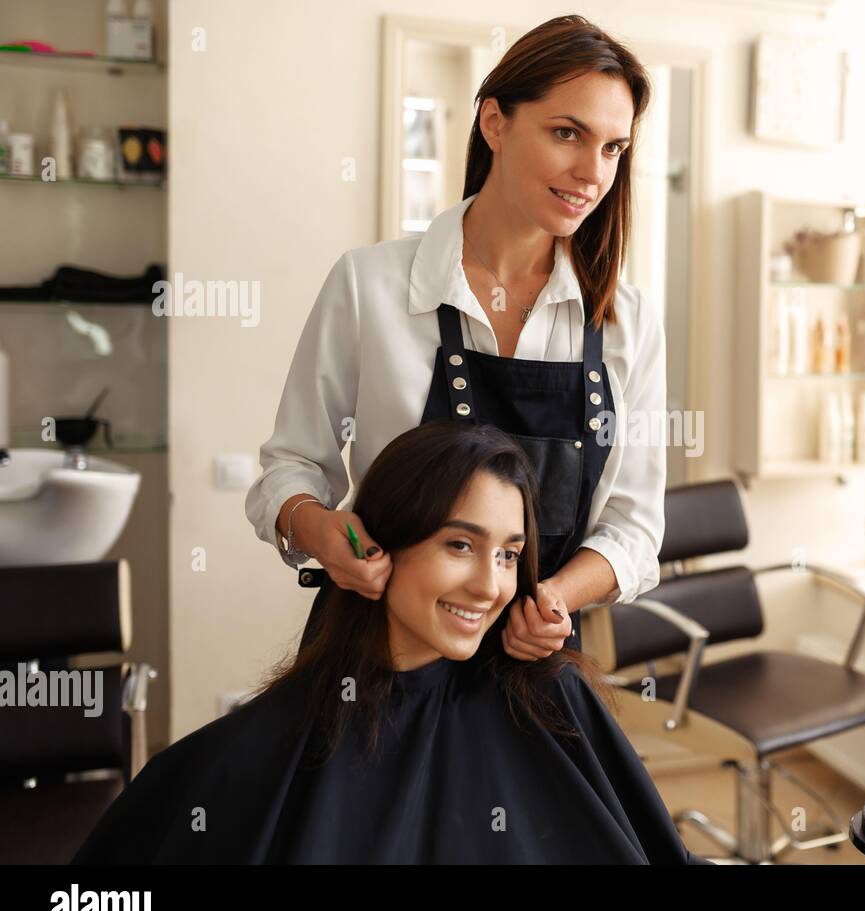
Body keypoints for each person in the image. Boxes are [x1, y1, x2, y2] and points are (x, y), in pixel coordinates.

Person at [75, 421, 709, 864]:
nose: (490, 586)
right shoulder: (272, 744)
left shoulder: (553, 699)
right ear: (380, 547)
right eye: (459, 545)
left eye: (510, 554)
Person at [243, 14, 666, 664]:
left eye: (613, 148)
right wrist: (320, 529)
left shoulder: (625, 322)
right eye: (566, 134)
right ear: (494, 122)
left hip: (531, 669)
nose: (591, 172)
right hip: (378, 660)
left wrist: (550, 598)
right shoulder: (369, 285)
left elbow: (635, 531)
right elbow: (291, 466)